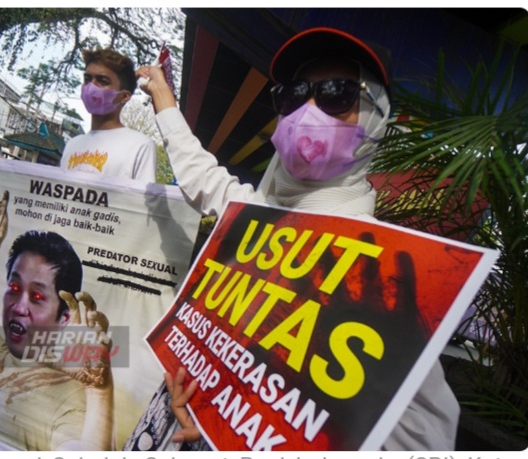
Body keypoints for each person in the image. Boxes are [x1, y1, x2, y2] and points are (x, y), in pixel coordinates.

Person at [129, 27, 460, 450]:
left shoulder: (377, 276)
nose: (307, 110)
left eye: (337, 93)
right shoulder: (257, 214)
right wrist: (165, 103)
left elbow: (423, 442)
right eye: (293, 93)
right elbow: (202, 177)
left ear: (377, 116)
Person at [0, 177, 115, 451]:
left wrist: (99, 390)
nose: (18, 306)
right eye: (14, 287)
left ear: (65, 317)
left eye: (38, 296)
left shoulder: (70, 396)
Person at [60, 47, 157, 182]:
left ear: (124, 96)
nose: (91, 86)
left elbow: (139, 202)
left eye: (102, 81)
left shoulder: (140, 146)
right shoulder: (71, 145)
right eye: (87, 79)